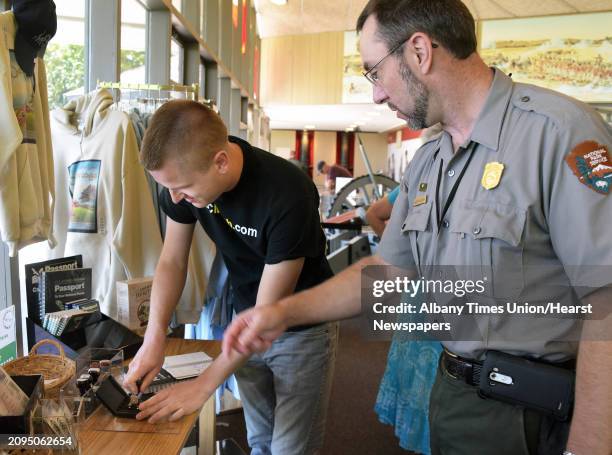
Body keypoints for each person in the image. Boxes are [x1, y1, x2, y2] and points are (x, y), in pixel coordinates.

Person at [222, 1, 612, 455]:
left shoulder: (560, 133)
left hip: (530, 414)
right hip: (451, 396)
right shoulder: (429, 159)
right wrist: (282, 313)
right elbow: (388, 272)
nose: (376, 95)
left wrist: (588, 445)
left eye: (374, 72)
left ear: (420, 52)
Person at [124, 100, 338, 455]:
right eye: (170, 189)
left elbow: (267, 315)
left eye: (184, 188)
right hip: (244, 320)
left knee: (290, 450)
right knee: (260, 442)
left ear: (220, 162)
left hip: (301, 328)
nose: (176, 197)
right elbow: (172, 261)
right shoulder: (186, 178)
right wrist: (154, 337)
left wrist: (203, 385)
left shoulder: (288, 194)